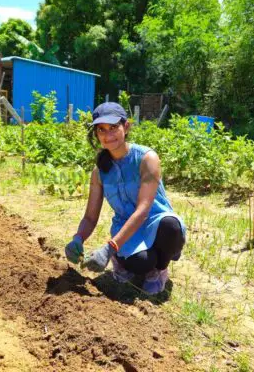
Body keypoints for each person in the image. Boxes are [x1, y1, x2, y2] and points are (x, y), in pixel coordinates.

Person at [64, 102, 186, 294]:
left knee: (171, 227)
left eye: (113, 128)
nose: (107, 135)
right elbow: (90, 218)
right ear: (96, 134)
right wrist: (78, 239)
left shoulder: (147, 158)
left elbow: (143, 210)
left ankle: (160, 270)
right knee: (142, 263)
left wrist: (110, 247)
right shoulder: (99, 172)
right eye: (101, 129)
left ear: (126, 127)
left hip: (155, 222)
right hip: (125, 228)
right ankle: (126, 261)